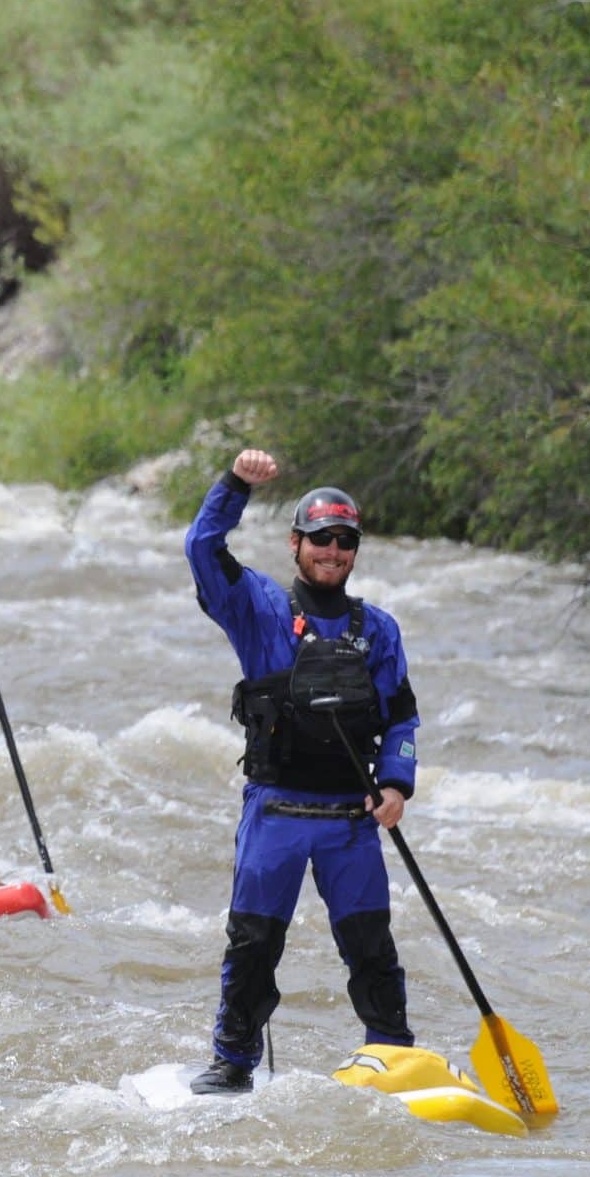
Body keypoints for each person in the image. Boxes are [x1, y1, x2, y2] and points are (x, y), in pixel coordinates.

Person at [183, 448, 421, 1094]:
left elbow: (401, 717)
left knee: (372, 948)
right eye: (320, 539)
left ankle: (394, 1055)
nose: (333, 551)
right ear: (296, 543)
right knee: (253, 946)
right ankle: (233, 1061)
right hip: (276, 813)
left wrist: (397, 784)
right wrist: (234, 484)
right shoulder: (257, 606)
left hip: (350, 821)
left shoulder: (378, 630)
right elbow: (202, 548)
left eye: (345, 541)